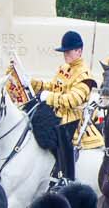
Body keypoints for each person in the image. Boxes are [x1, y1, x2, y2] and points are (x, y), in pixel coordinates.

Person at [29, 31, 95, 181]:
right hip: (55, 113)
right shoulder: (64, 68)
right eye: (64, 51)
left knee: (62, 135)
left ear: (79, 51)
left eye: (68, 51)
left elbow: (73, 100)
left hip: (73, 118)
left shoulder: (85, 75)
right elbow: (53, 86)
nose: (65, 55)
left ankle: (66, 177)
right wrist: (34, 83)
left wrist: (50, 97)